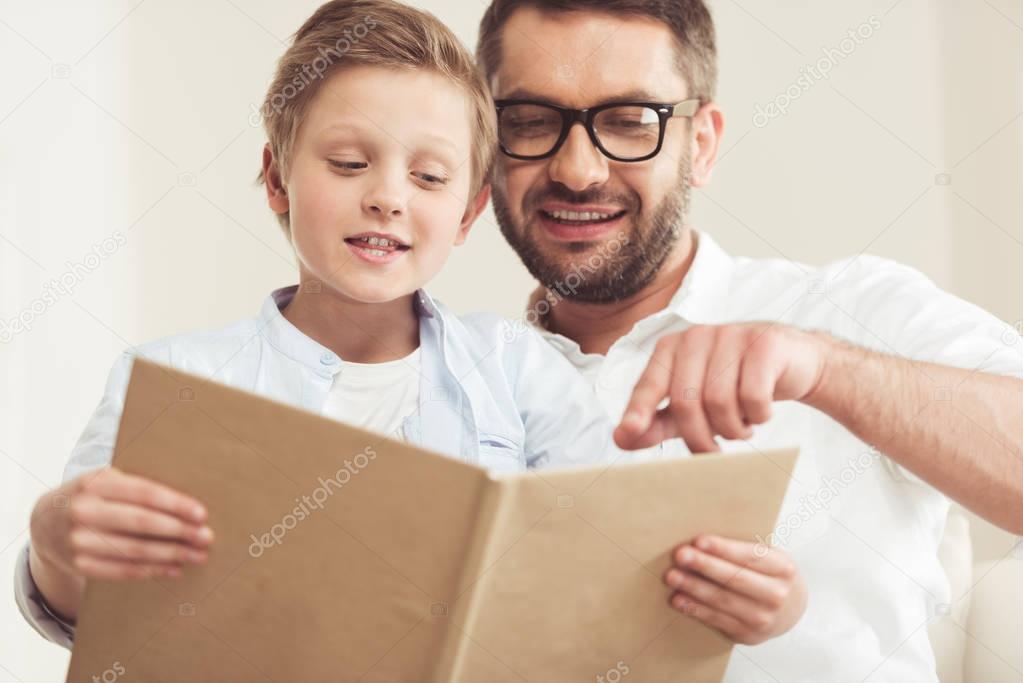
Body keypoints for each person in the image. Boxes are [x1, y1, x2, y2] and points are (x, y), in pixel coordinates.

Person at [19, 0, 809, 656]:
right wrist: (55, 542)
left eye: (428, 176)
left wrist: (764, 595)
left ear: (467, 212)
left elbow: (616, 549)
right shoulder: (172, 381)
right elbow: (86, 613)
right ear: (275, 179)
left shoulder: (517, 369)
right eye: (348, 163)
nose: (388, 198)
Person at [478, 0, 1023, 680]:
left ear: (700, 144)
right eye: (529, 122)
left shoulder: (850, 310)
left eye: (628, 122)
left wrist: (825, 369)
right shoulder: (458, 375)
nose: (578, 170)